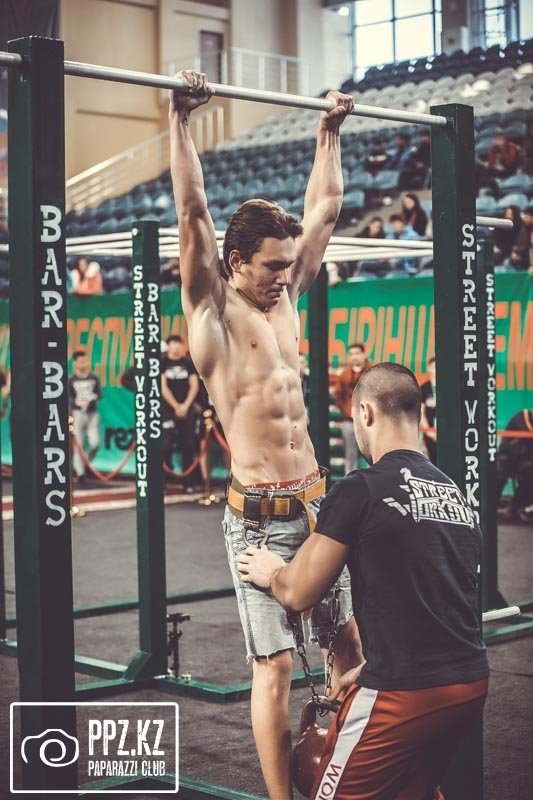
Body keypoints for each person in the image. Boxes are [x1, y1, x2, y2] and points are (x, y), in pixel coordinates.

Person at [169, 70, 362, 799]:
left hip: (317, 506)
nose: (287, 275)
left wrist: (328, 131)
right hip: (258, 521)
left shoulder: (285, 296)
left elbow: (326, 209)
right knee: (275, 666)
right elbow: (192, 210)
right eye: (273, 266)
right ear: (235, 263)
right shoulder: (212, 313)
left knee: (349, 649)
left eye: (288, 264)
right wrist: (180, 119)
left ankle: (344, 776)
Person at [238, 363, 489, 800]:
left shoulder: (361, 488)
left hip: (403, 694)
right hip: (469, 685)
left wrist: (272, 572)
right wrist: (367, 668)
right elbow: (435, 605)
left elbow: (297, 593)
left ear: (365, 413)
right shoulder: (455, 496)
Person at [161, 334, 199, 489]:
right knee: (165, 444)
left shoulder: (187, 363)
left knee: (188, 445)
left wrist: (185, 405)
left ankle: (187, 481)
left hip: (186, 409)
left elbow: (194, 385)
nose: (176, 346)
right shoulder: (162, 362)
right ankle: (163, 479)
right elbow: (162, 387)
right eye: (173, 343)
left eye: (178, 343)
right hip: (167, 410)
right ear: (168, 346)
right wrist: (176, 406)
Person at [333, 343, 371, 473]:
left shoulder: (372, 372)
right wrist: (348, 411)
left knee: (372, 454)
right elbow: (338, 395)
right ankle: (350, 482)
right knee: (350, 455)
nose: (354, 357)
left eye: (357, 353)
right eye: (351, 354)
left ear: (364, 354)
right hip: (349, 421)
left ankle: (373, 482)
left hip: (369, 421)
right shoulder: (344, 374)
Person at [68, 350, 102, 482]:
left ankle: (85, 463)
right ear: (75, 363)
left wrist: (93, 398)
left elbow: (99, 394)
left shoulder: (93, 378)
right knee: (78, 444)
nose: (84, 364)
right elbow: (68, 397)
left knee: (95, 443)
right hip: (77, 414)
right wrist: (76, 403)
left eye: (86, 361)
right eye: (81, 361)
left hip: (92, 413)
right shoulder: (71, 380)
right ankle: (80, 472)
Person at [496, 408, 533, 522]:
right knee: (498, 470)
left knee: (530, 472)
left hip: (523, 461)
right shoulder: (524, 415)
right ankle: (490, 506)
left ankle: (515, 508)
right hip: (507, 456)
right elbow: (528, 429)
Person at [420, 356, 437, 464]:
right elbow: (421, 411)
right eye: (434, 366)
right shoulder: (424, 388)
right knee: (432, 461)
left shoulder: (448, 388)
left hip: (445, 432)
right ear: (429, 368)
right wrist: (428, 430)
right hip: (430, 433)